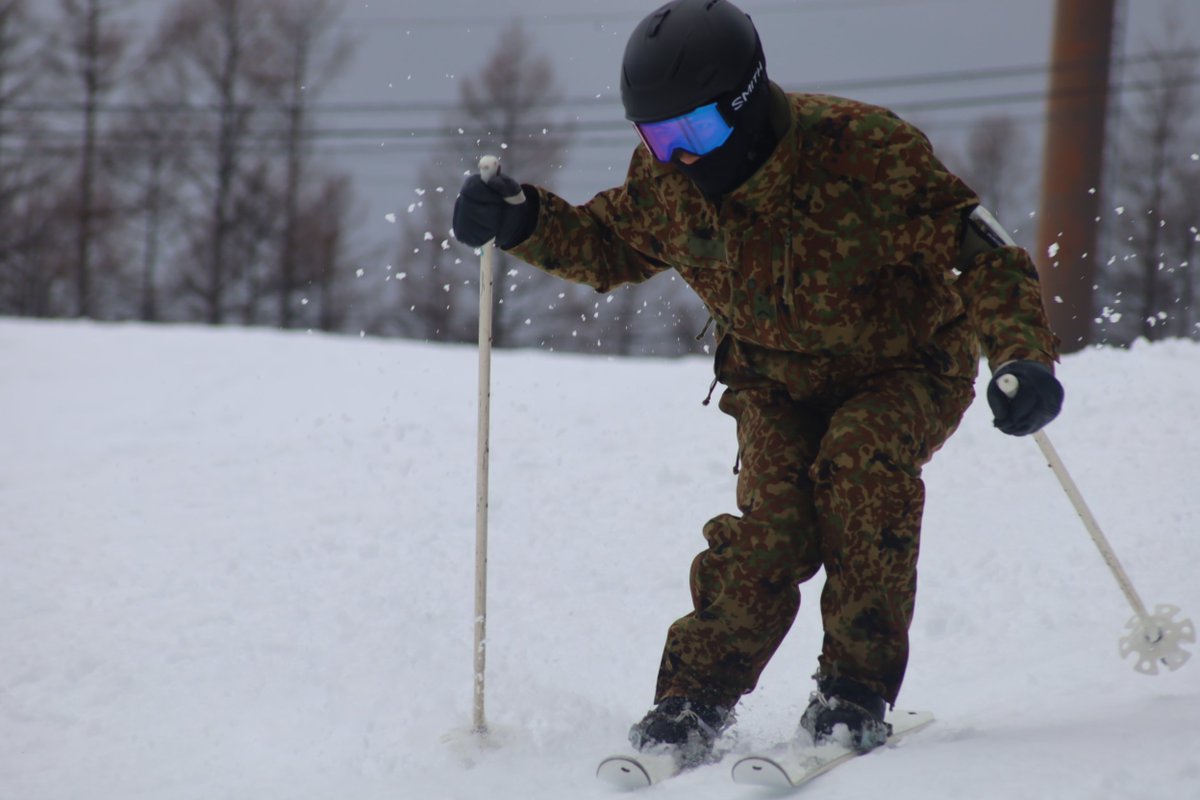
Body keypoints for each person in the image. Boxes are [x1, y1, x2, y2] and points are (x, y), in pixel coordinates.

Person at [452, 0, 1063, 766]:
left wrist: (1020, 356)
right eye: (657, 136)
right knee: (774, 527)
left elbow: (984, 253)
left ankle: (854, 689)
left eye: (695, 133)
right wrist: (523, 222)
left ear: (746, 102)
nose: (679, 157)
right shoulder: (671, 182)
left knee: (858, 464)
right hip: (774, 380)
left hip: (904, 367)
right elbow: (610, 244)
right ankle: (693, 697)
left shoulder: (865, 154)